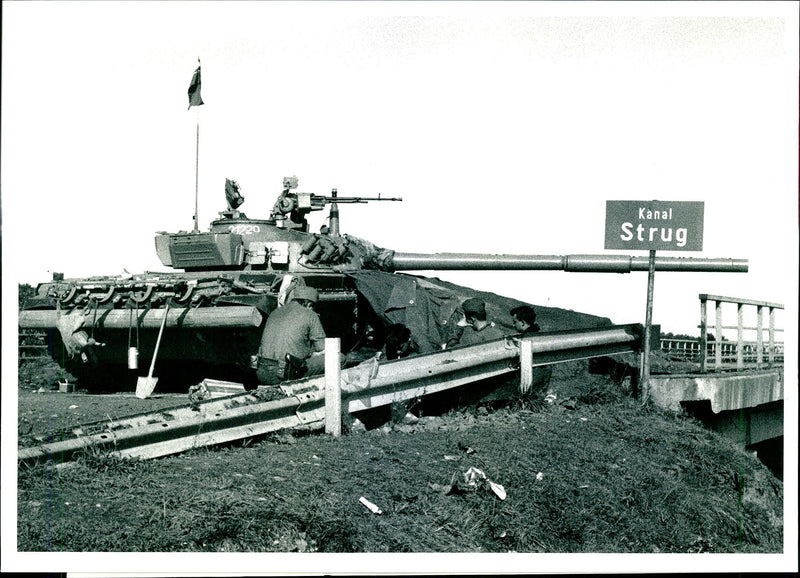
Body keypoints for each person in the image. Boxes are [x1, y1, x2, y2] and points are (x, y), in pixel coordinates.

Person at [255, 285, 326, 385]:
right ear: (309, 304)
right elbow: (323, 350)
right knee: (340, 358)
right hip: (285, 375)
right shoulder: (310, 315)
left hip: (261, 373)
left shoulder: (275, 312)